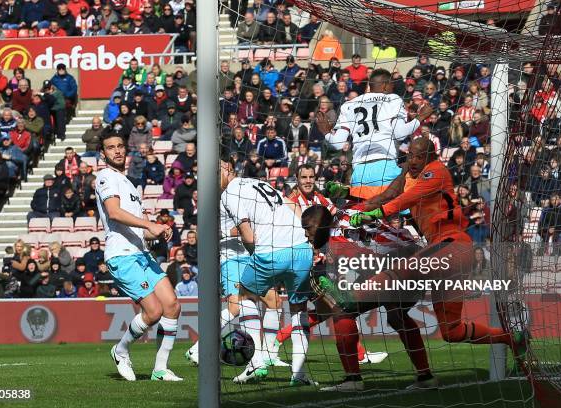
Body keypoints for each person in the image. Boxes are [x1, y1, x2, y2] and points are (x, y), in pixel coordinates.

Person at [340, 138, 524, 391]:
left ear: (431, 155)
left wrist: (376, 214)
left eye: (419, 156)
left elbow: (403, 200)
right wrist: (350, 199)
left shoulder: (436, 171)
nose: (413, 161)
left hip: (450, 244)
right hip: (449, 255)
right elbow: (386, 195)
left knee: (401, 271)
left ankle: (350, 299)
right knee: (451, 331)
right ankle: (512, 338)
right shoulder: (409, 174)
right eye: (410, 156)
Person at [220, 158, 315, 386]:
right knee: (298, 310)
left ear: (227, 169)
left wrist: (257, 254)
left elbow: (249, 236)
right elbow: (293, 206)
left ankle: (256, 363)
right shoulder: (257, 182)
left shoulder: (230, 194)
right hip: (302, 249)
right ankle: (299, 375)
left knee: (243, 296)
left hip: (271, 251)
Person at [97, 132, 182, 382]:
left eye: (120, 146)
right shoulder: (106, 177)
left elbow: (136, 225)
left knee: (172, 306)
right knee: (154, 311)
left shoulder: (130, 183)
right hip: (122, 255)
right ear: (103, 154)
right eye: (111, 148)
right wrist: (149, 226)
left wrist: (155, 229)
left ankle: (160, 369)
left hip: (141, 252)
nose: (117, 151)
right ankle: (120, 350)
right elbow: (113, 213)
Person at [320, 68, 433, 200]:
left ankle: (345, 193)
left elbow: (338, 144)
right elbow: (400, 134)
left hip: (359, 172)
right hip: (385, 167)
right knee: (409, 209)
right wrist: (421, 117)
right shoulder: (392, 99)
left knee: (365, 214)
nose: (394, 88)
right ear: (385, 85)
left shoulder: (349, 104)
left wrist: (326, 132)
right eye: (392, 84)